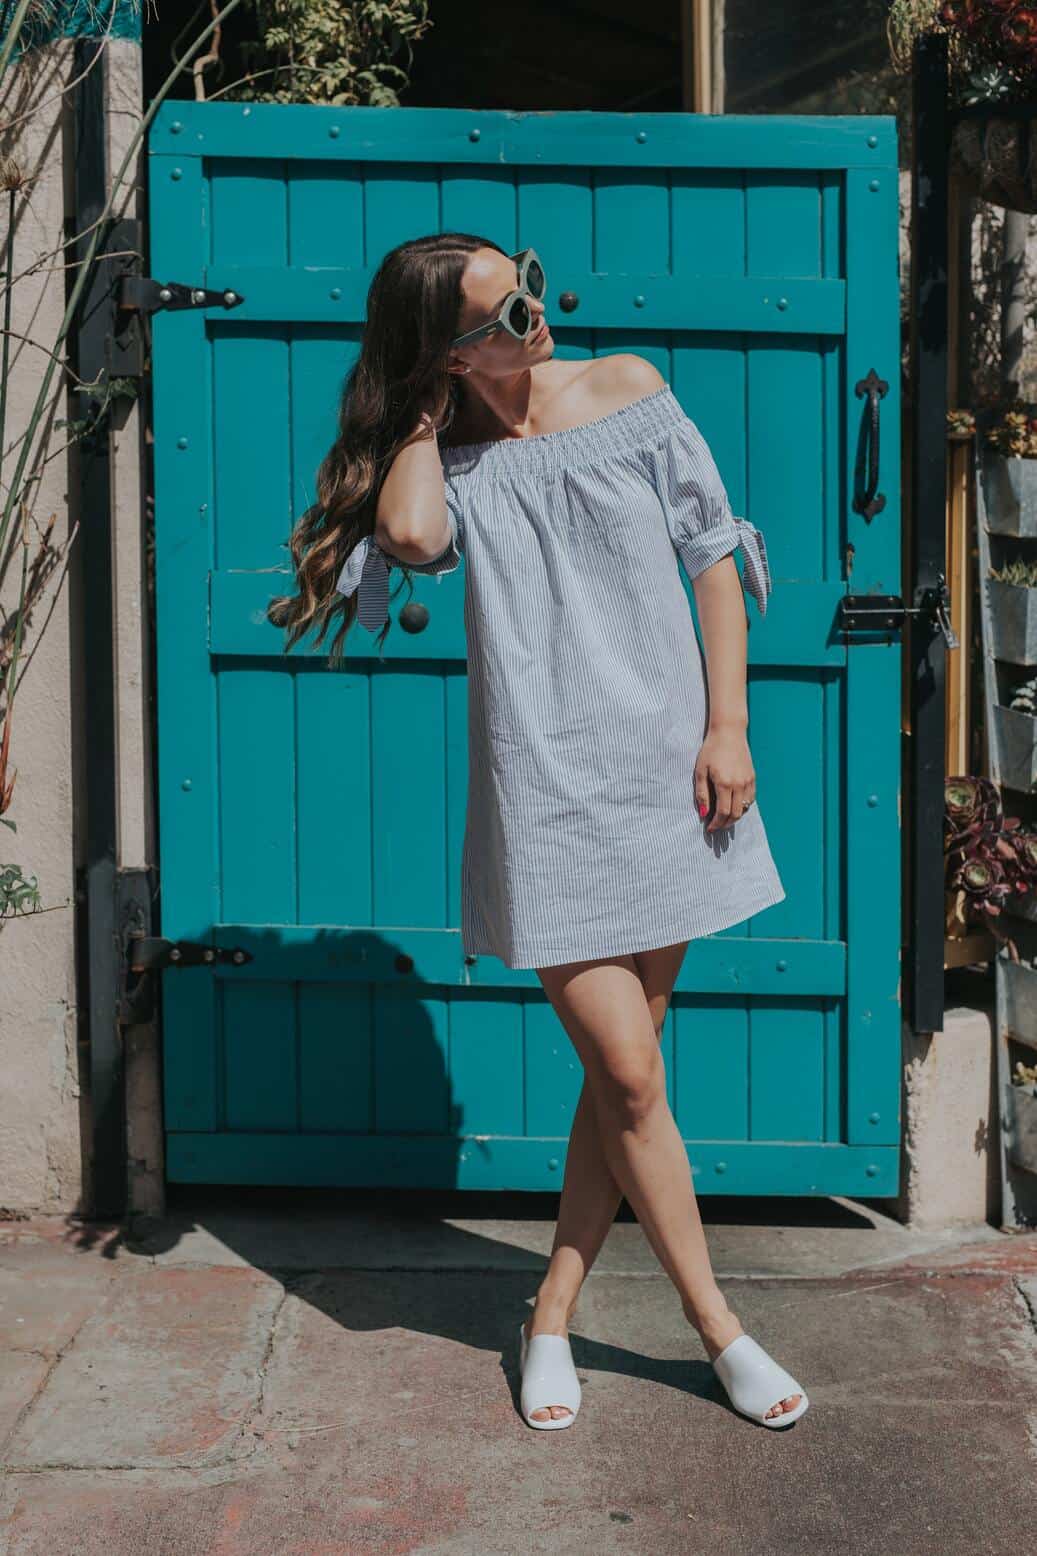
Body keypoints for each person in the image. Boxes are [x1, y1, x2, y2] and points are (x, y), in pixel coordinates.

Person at [269, 232, 808, 1433]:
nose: (533, 317)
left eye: (527, 290)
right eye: (498, 317)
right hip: (547, 790)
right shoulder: (446, 458)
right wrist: (420, 405)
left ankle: (550, 1312)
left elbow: (713, 557)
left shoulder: (628, 388)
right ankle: (717, 1328)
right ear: (445, 355)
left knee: (626, 1084)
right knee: (625, 1070)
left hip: (669, 771)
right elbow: (409, 540)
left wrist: (727, 725)